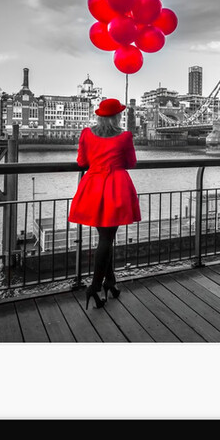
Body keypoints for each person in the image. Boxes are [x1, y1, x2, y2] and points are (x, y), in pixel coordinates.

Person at [68, 98, 141, 309]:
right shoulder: (125, 136)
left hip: (92, 186)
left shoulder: (86, 134)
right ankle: (94, 287)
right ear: (118, 116)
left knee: (105, 238)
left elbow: (82, 163)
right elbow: (131, 163)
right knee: (106, 240)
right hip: (116, 188)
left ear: (99, 115)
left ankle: (111, 283)